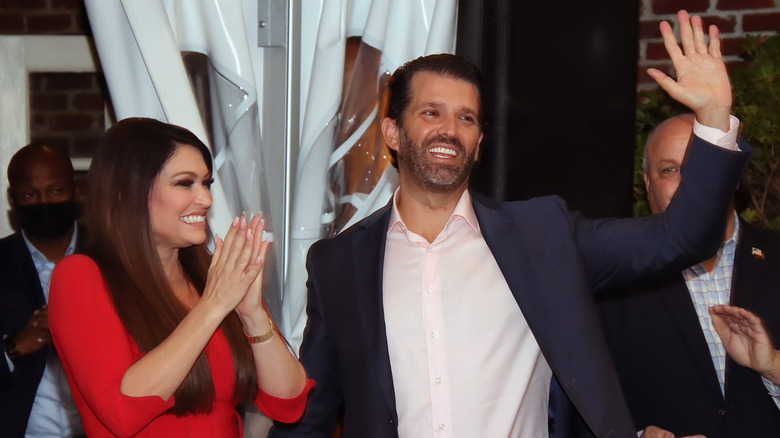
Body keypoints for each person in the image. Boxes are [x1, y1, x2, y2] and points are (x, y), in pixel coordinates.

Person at [270, 10, 749, 438]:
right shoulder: (338, 263)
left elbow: (680, 237)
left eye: (467, 118)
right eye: (430, 113)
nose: (450, 131)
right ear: (393, 133)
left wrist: (711, 117)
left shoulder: (544, 235)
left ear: (479, 143)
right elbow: (312, 415)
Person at [47, 118, 313, 437]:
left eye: (206, 183)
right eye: (185, 183)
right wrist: (212, 306)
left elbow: (289, 402)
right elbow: (122, 410)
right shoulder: (81, 276)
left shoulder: (210, 277)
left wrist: (252, 314)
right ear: (129, 191)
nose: (206, 199)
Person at [598, 113, 780, 437]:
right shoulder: (612, 280)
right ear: (647, 183)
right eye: (670, 170)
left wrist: (772, 365)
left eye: (701, 167)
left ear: (732, 175)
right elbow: (577, 404)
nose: (688, 183)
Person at [0, 143, 84, 437]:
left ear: (75, 191)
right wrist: (14, 349)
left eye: (56, 190)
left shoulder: (111, 258)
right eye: (29, 194)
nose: (44, 201)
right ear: (13, 199)